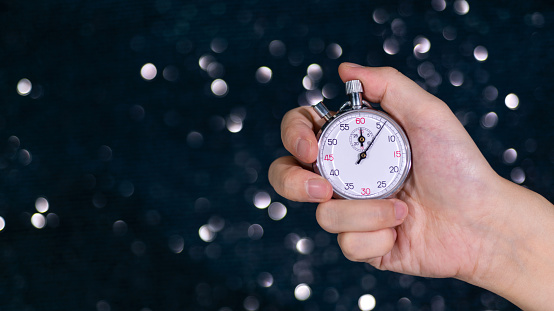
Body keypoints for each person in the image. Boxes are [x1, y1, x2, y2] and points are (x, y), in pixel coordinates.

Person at [268, 63, 554, 310]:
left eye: (365, 148)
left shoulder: (389, 135)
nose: (363, 153)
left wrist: (489, 231)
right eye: (360, 150)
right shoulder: (341, 137)